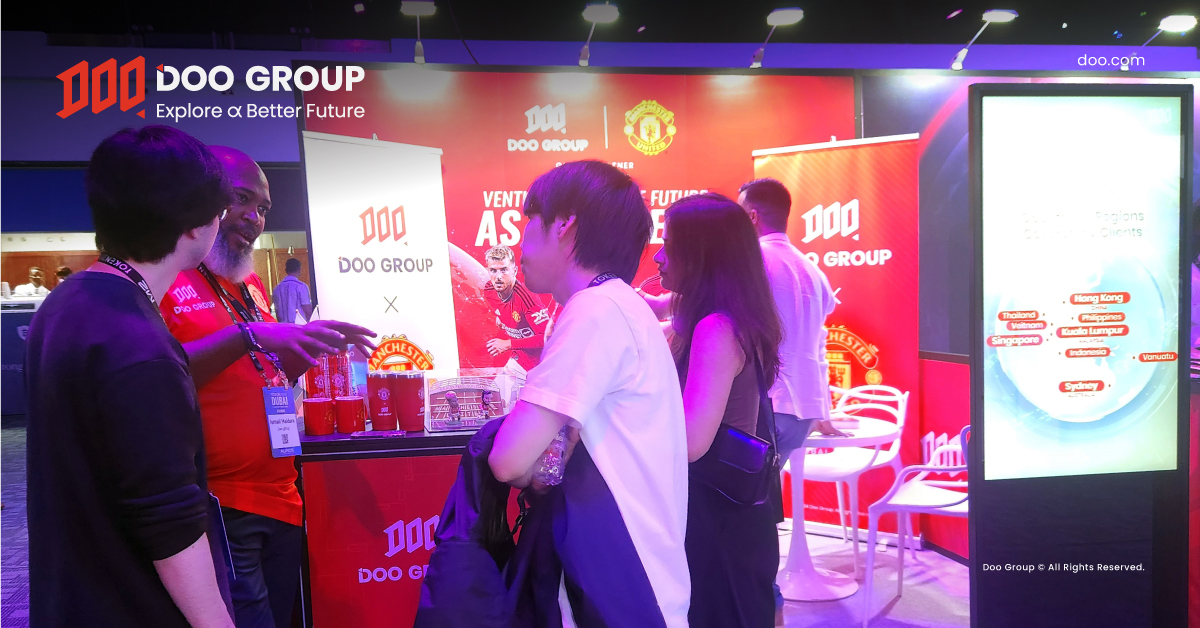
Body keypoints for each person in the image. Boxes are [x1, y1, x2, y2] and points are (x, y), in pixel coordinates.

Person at [26, 126, 235, 627]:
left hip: (74, 596)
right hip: (131, 605)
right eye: (221, 211)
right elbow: (170, 521)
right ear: (195, 226)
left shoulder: (66, 302)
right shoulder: (138, 344)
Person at [160, 146, 375, 628]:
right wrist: (247, 335)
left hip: (281, 493)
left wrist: (313, 346)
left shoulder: (250, 284)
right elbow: (158, 376)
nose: (253, 218)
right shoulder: (167, 278)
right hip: (222, 502)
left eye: (263, 208)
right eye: (241, 199)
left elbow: (267, 372)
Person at [488, 161, 690, 628]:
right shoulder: (616, 303)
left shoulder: (595, 311)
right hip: (633, 571)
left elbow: (509, 460)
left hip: (620, 579)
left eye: (529, 223)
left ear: (564, 225)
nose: (520, 244)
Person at [651, 193, 783, 628]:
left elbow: (692, 442)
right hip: (731, 514)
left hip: (719, 519)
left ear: (703, 255)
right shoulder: (728, 318)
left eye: (670, 245)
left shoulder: (716, 328)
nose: (659, 257)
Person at [739, 178, 841, 622]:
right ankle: (766, 602)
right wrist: (823, 408)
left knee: (747, 511)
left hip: (770, 402)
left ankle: (767, 603)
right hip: (800, 408)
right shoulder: (811, 269)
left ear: (752, 216)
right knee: (757, 506)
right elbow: (819, 341)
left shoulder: (754, 261)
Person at [482, 243, 551, 373]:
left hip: (540, 365)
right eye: (493, 270)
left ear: (514, 271)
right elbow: (503, 310)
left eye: (504, 270)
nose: (498, 277)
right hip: (519, 360)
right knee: (495, 387)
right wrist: (501, 318)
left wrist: (508, 344)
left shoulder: (528, 300)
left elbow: (547, 337)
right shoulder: (489, 290)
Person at [271, 258, 312, 323]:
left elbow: (277, 312)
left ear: (286, 270)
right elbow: (307, 310)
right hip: (299, 326)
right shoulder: (301, 287)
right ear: (299, 270)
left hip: (283, 326)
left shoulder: (277, 289)